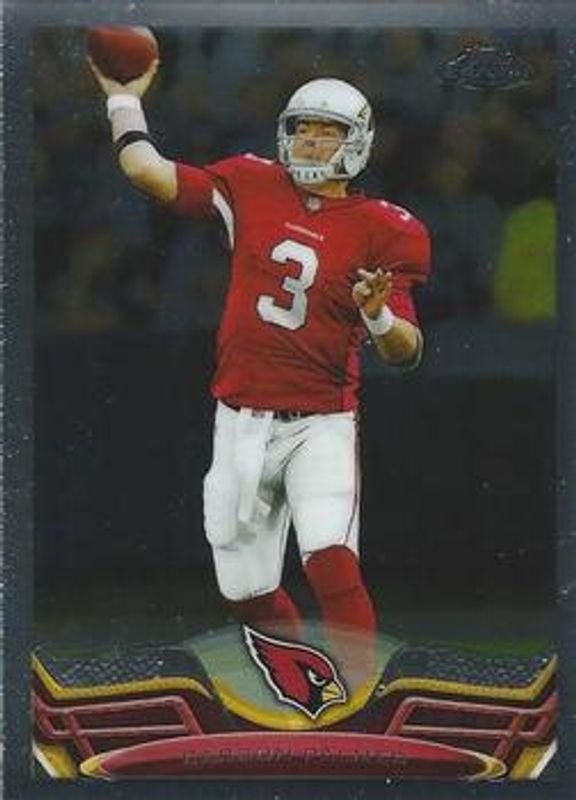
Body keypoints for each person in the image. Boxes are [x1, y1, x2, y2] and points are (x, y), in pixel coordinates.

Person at [89, 55, 431, 680]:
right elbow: (144, 170)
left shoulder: (387, 228)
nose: (312, 141)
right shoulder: (250, 182)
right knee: (245, 594)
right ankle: (303, 687)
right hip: (239, 418)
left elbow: (406, 351)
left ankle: (360, 693)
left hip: (320, 421)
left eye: (327, 130)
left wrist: (377, 315)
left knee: (330, 559)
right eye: (303, 128)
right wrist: (122, 96)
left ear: (358, 142)